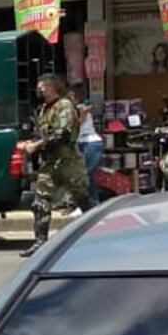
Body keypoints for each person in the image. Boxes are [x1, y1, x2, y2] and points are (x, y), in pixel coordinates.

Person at [18, 74, 90, 257]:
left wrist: (37, 145)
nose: (39, 90)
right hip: (49, 164)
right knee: (40, 201)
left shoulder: (64, 106)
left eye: (43, 87)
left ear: (52, 87)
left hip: (68, 163)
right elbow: (41, 134)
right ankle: (40, 242)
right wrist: (28, 143)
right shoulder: (43, 110)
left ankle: (101, 233)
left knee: (82, 199)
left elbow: (62, 134)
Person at [73, 83, 103, 205]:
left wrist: (83, 112)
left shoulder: (80, 108)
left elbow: (81, 121)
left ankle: (92, 202)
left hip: (90, 142)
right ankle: (88, 202)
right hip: (83, 142)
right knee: (84, 175)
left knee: (86, 174)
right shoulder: (78, 108)